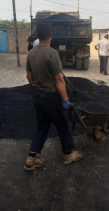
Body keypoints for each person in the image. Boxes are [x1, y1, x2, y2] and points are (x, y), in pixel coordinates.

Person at [24, 23, 83, 171]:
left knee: (41, 127)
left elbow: (29, 76)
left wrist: (35, 90)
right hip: (51, 97)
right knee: (63, 125)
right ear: (51, 35)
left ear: (37, 35)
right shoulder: (52, 53)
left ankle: (32, 158)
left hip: (37, 97)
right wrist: (65, 100)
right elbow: (58, 79)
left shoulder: (31, 53)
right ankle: (68, 154)